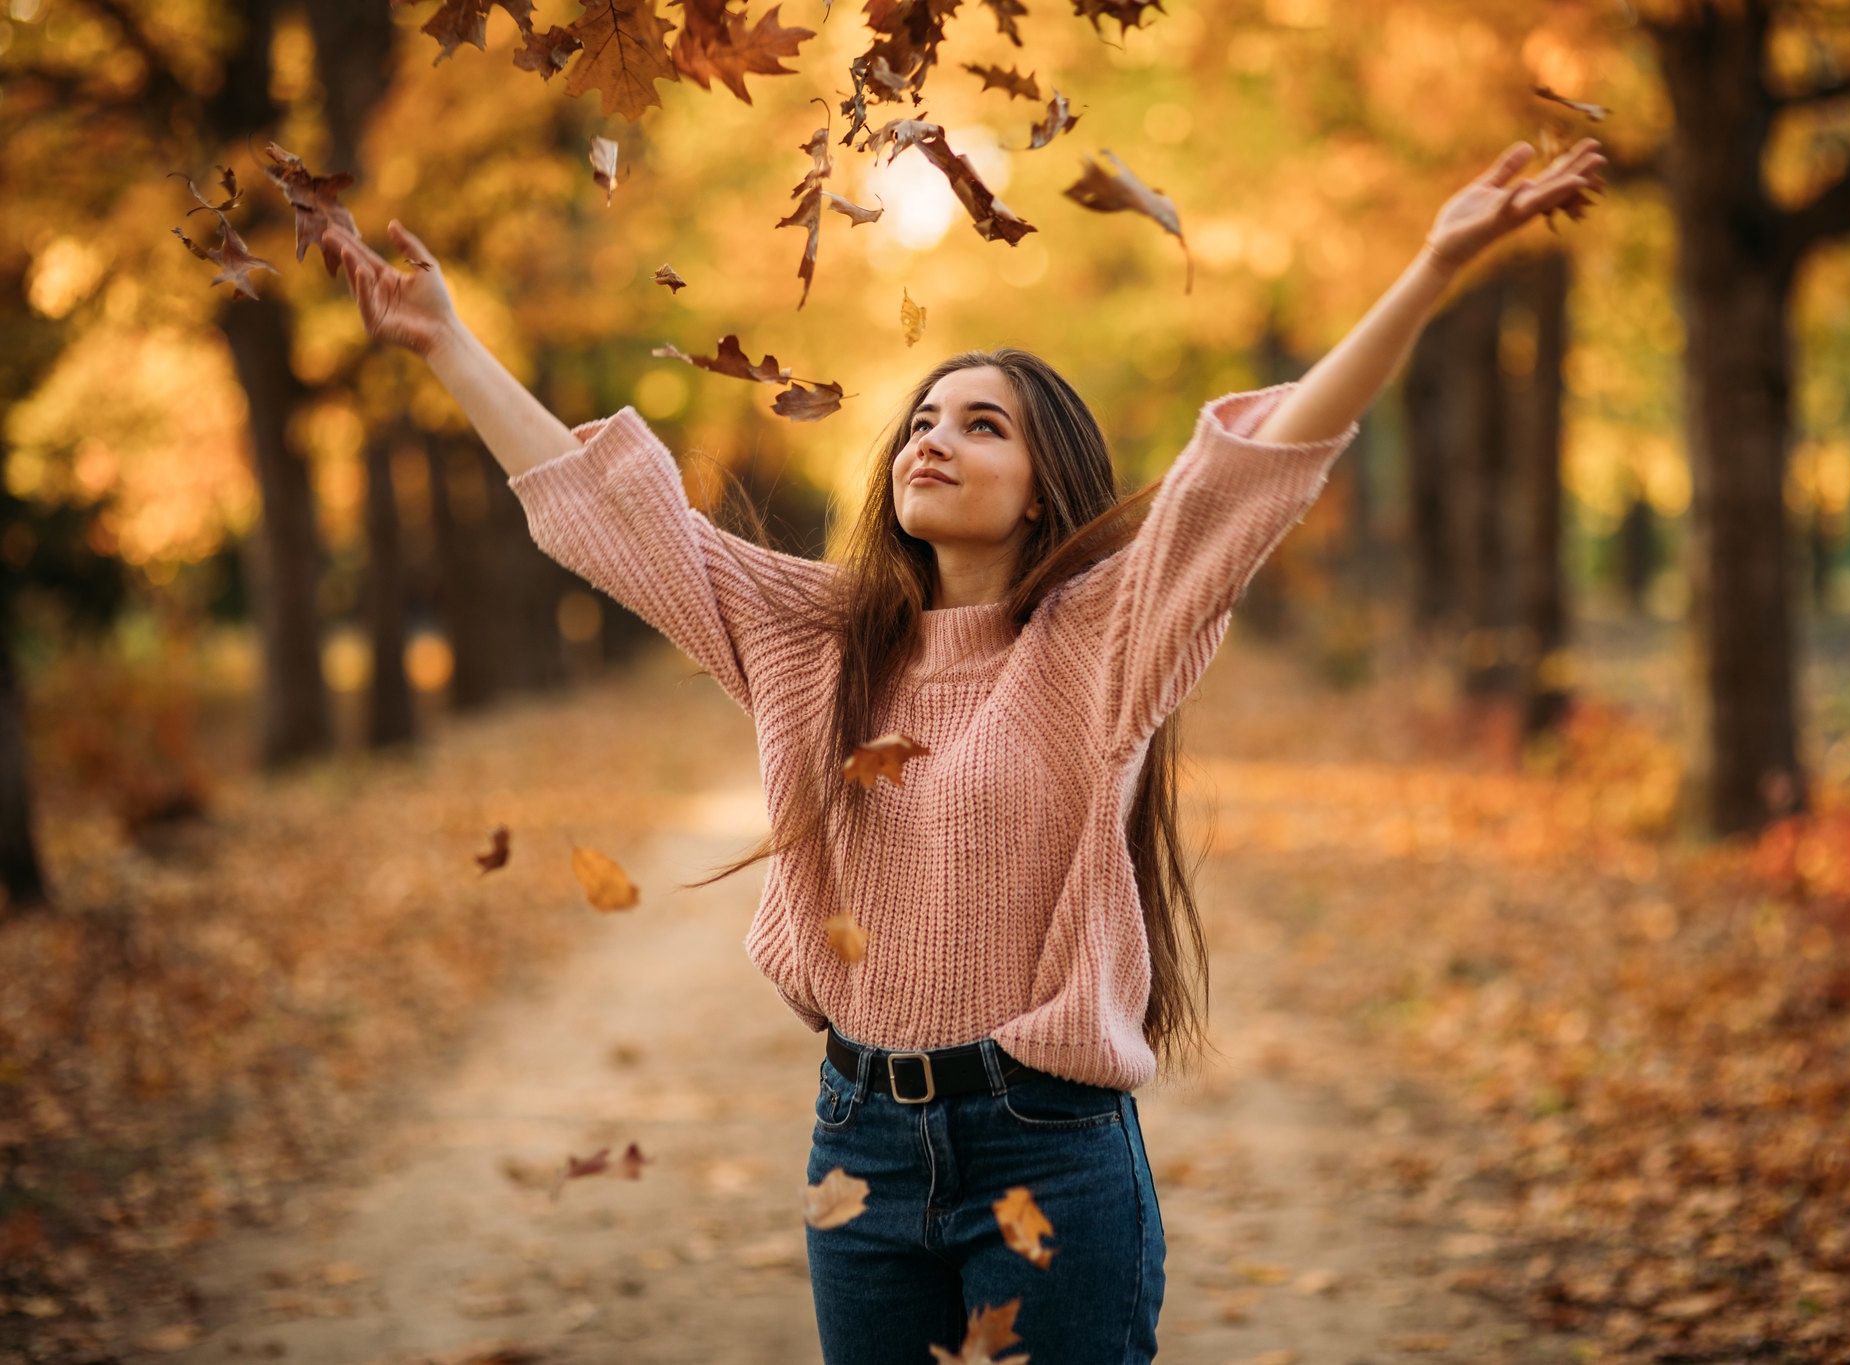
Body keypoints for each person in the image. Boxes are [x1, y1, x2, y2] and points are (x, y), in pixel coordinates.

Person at [323, 135, 1604, 1364]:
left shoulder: (1103, 636)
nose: (931, 437)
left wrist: (1429, 268)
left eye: (982, 425)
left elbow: (1247, 475)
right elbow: (614, 519)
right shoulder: (812, 635)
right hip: (856, 1142)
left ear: (1044, 483)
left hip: (1043, 1147)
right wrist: (444, 341)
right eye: (924, 418)